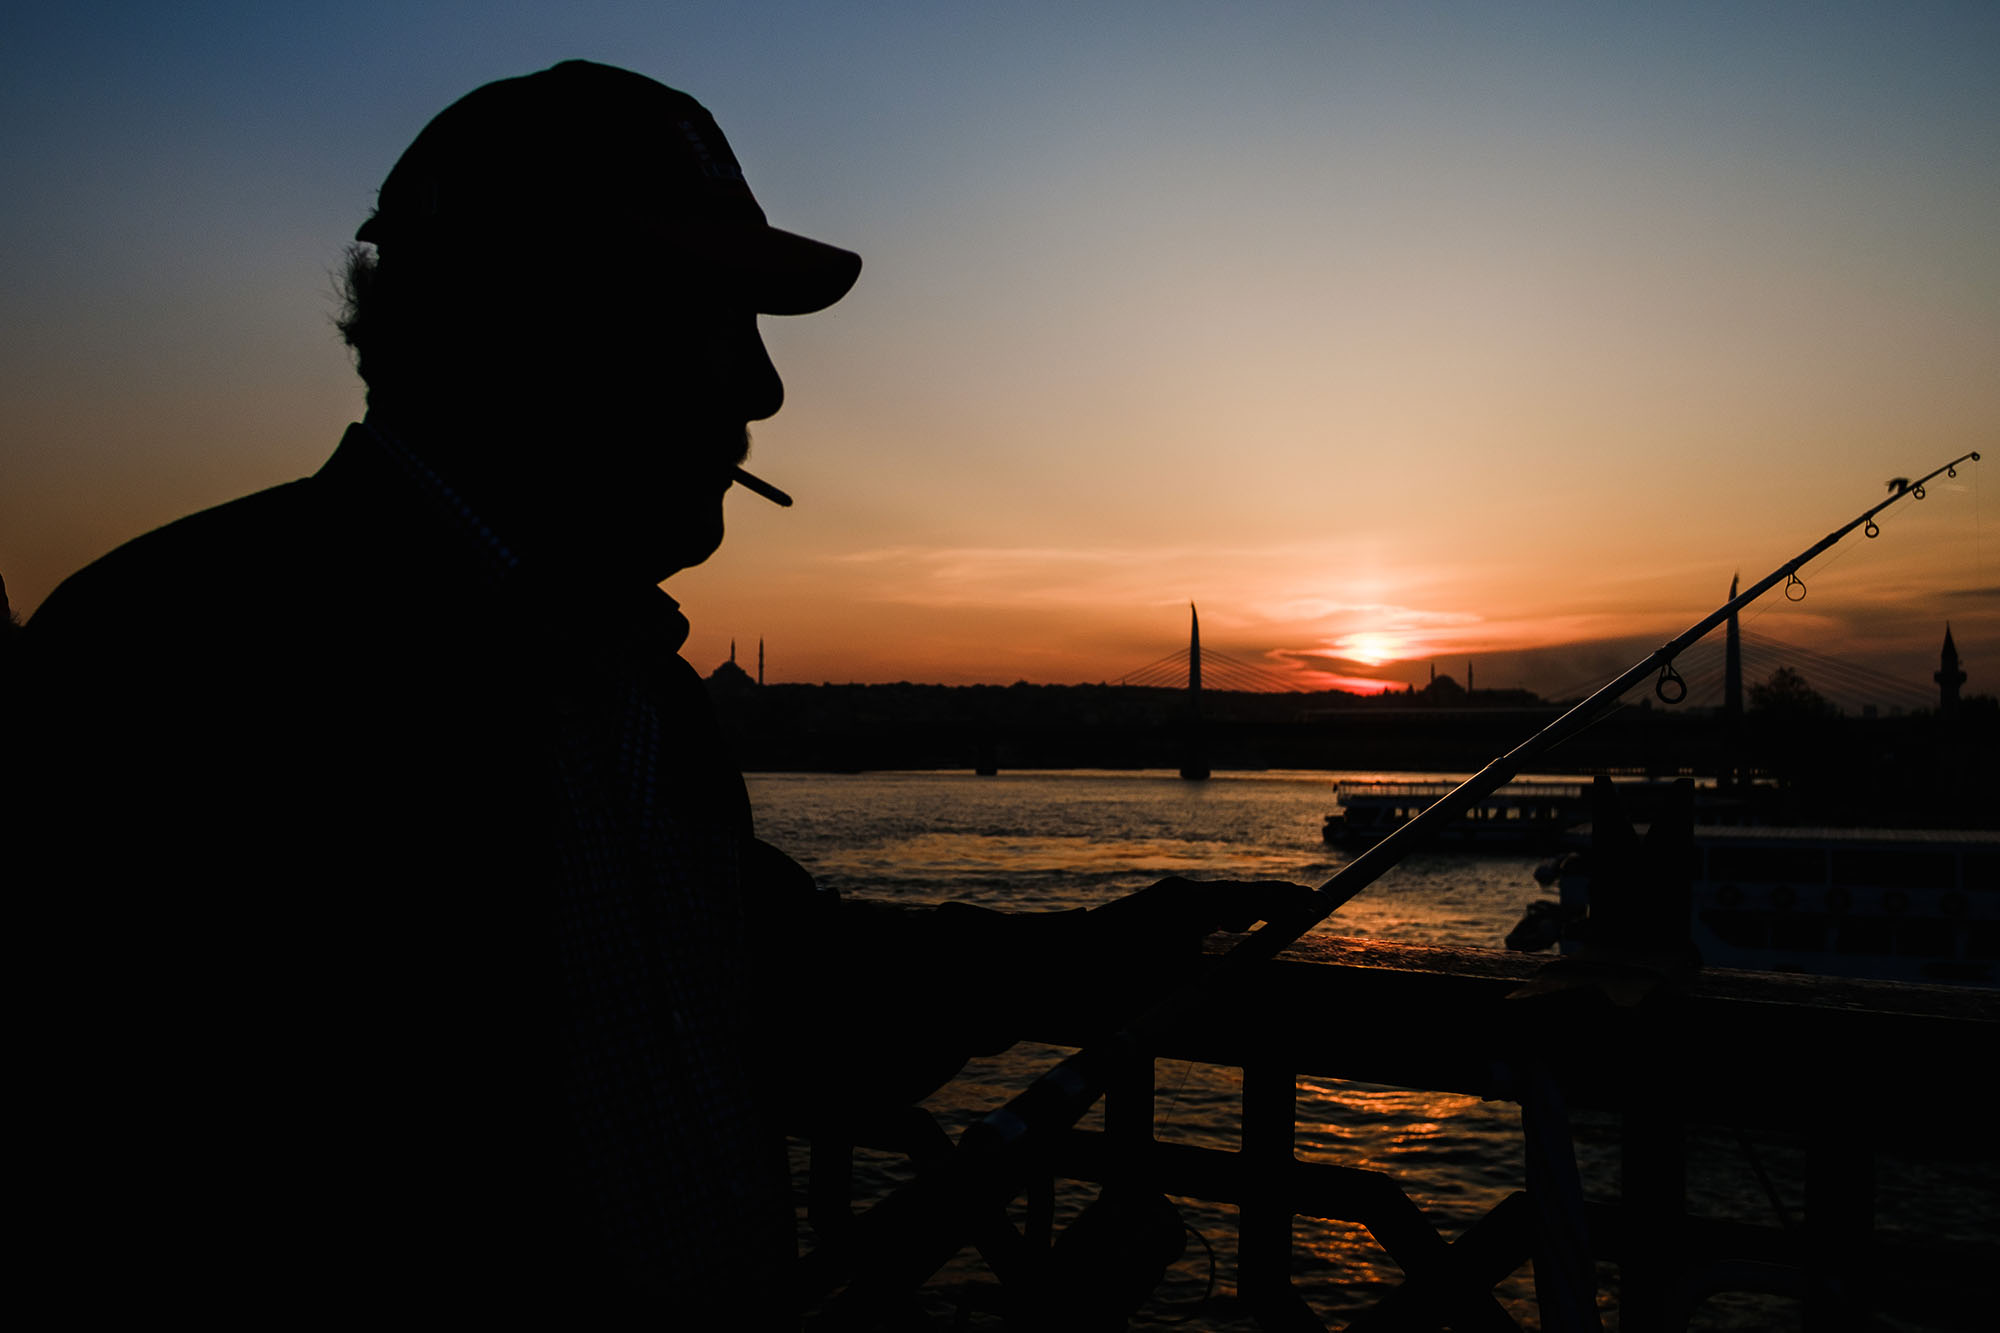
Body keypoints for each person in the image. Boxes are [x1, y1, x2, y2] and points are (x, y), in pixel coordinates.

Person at [13, 61, 1305, 1326]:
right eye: (713, 317)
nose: (763, 387)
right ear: (532, 323)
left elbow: (762, 979)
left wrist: (1091, 951)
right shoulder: (170, 669)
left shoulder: (626, 681)